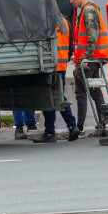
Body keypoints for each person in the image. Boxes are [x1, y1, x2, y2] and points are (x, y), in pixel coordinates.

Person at [67, 0, 108, 136]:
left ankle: (81, 127)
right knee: (95, 91)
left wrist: (85, 59)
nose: (71, 1)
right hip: (92, 58)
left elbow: (93, 37)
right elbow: (85, 40)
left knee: (83, 91)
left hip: (92, 59)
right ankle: (102, 124)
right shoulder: (87, 10)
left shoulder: (89, 11)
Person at [33, 15, 80, 143]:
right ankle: (72, 125)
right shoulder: (65, 21)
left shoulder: (44, 20)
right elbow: (71, 45)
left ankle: (49, 132)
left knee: (48, 98)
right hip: (62, 66)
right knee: (59, 96)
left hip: (49, 66)